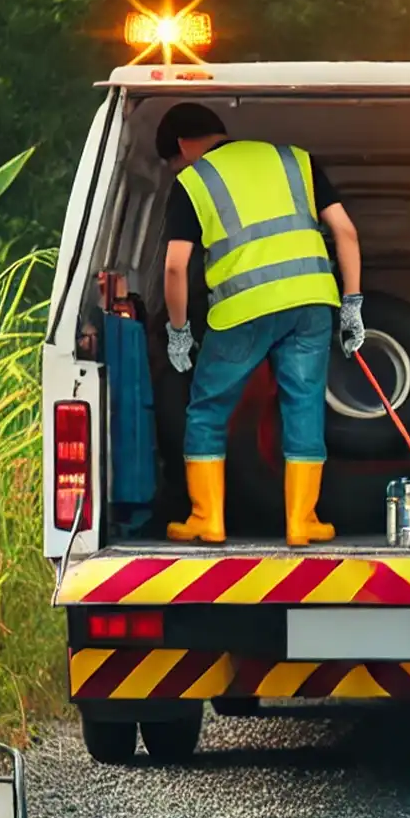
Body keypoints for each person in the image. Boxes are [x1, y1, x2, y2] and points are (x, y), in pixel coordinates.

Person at [156, 103, 365, 547]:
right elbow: (344, 231)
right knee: (304, 406)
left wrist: (178, 331)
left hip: (244, 310)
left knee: (208, 410)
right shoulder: (295, 161)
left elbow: (176, 267)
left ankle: (206, 520)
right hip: (311, 302)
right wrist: (352, 304)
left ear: (180, 148)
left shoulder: (194, 180)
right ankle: (302, 523)